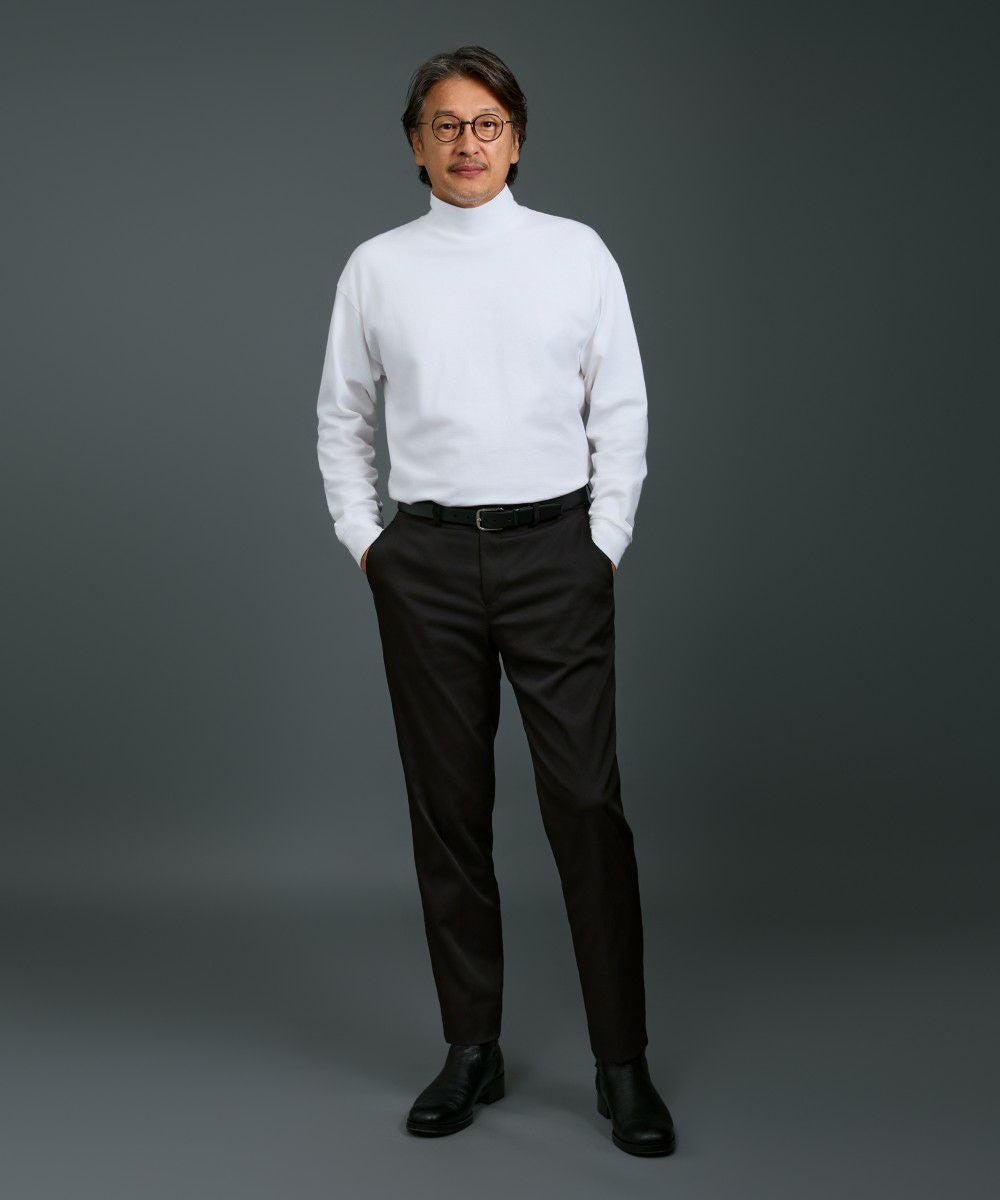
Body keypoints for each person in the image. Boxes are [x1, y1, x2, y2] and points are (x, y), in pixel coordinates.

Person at [315, 44, 676, 1157]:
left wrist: (602, 543)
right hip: (423, 563)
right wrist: (368, 543)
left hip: (555, 553)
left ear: (516, 140)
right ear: (414, 144)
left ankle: (622, 1062)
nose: (466, 143)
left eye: (486, 124)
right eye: (445, 124)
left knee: (585, 803)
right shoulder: (377, 267)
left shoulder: (575, 253)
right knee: (448, 810)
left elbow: (621, 407)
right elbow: (342, 418)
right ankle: (471, 1046)